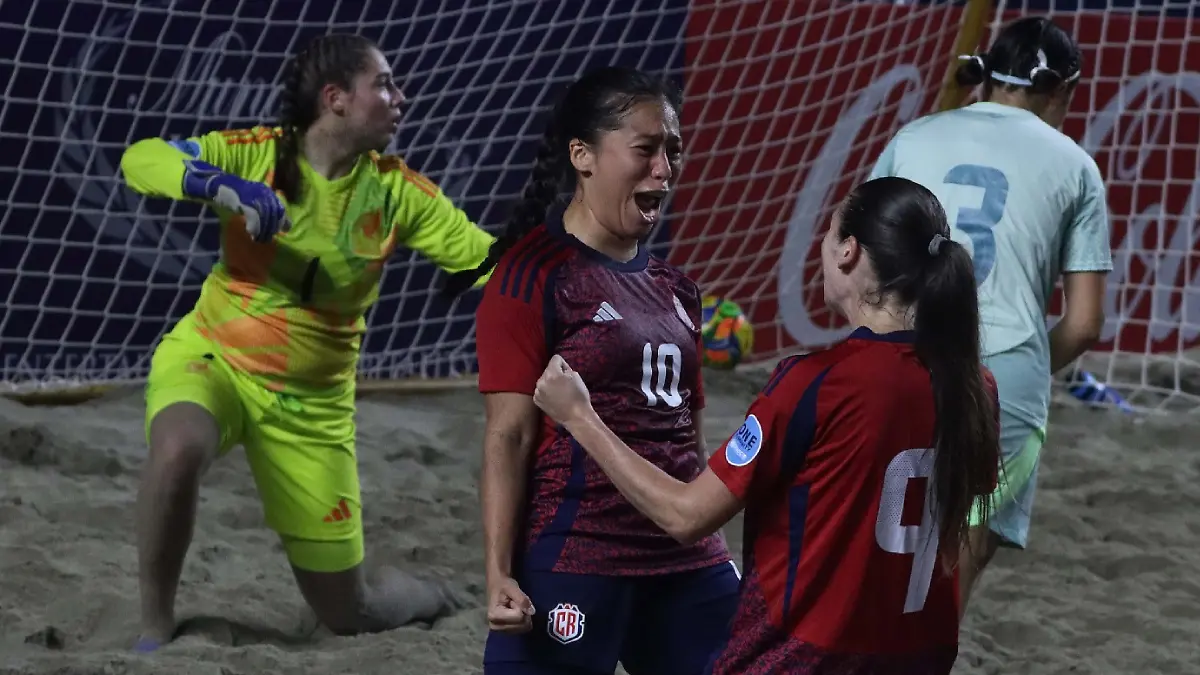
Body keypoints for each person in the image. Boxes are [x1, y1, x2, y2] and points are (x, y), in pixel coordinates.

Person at [119, 33, 495, 651]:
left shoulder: (398, 192)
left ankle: (433, 595)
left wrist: (582, 276)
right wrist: (220, 186)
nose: (401, 98)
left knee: (350, 613)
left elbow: (489, 261)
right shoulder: (255, 156)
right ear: (335, 98)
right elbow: (141, 159)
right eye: (384, 85)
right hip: (217, 358)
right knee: (179, 446)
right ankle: (155, 625)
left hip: (314, 408)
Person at [533, 176, 1001, 674]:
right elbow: (969, 520)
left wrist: (580, 417)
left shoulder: (817, 382)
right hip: (918, 657)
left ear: (848, 252)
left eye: (828, 233)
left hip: (802, 661)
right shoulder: (977, 387)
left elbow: (686, 517)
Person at [442, 66, 741, 675]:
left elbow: (688, 439)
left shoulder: (678, 290)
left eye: (673, 151)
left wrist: (716, 548)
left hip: (684, 560)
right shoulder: (533, 276)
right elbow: (508, 437)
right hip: (579, 554)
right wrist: (498, 573)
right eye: (646, 149)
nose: (664, 169)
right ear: (582, 155)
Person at [867, 16, 1111, 613]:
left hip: (900, 362)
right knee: (950, 582)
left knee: (873, 562)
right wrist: (1020, 369)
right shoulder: (1076, 166)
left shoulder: (914, 138)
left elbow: (854, 259)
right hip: (1003, 381)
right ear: (1064, 90)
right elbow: (1084, 325)